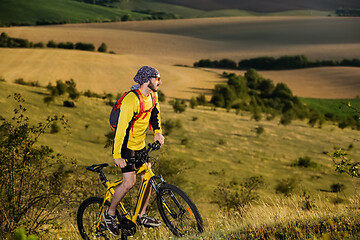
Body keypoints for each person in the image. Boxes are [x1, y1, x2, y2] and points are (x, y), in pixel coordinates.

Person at [103, 66, 165, 236]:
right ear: (147, 80)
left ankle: (141, 215)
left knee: (148, 178)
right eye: (157, 79)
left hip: (140, 145)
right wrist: (117, 156)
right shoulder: (131, 100)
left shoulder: (153, 95)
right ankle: (110, 214)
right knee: (129, 183)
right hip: (126, 147)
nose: (159, 82)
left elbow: (155, 113)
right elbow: (121, 129)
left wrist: (158, 132)